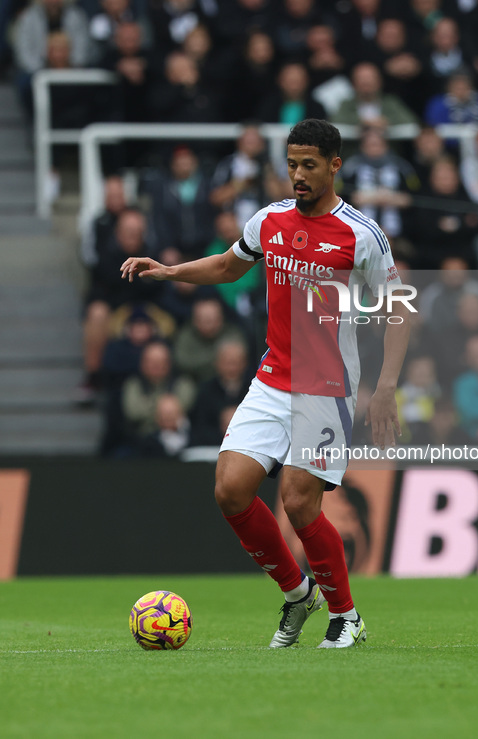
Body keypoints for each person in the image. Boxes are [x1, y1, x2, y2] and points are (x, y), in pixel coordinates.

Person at [121, 118, 410, 649]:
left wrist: (387, 385)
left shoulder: (361, 235)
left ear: (334, 166)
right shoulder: (269, 220)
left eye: (308, 165)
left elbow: (399, 307)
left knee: (299, 503)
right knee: (230, 490)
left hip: (327, 387)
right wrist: (170, 271)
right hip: (273, 378)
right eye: (291, 164)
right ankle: (299, 595)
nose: (297, 175)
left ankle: (346, 617)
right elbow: (230, 268)